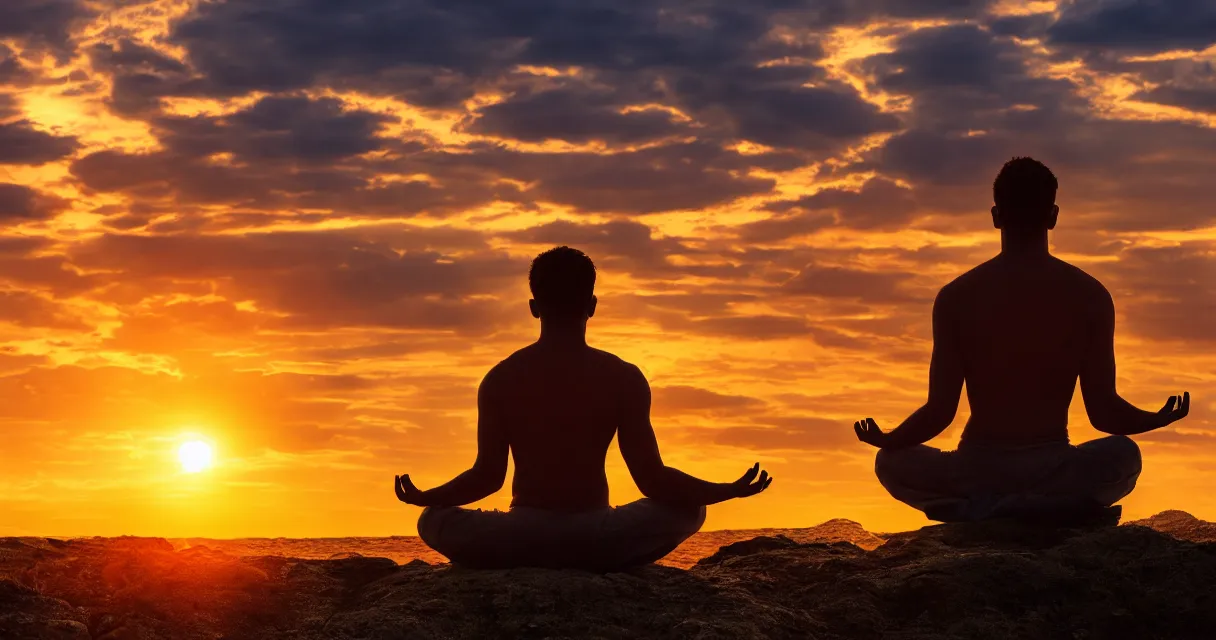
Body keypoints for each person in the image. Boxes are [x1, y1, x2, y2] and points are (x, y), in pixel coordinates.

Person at [852, 157, 1191, 523]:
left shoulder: (958, 296)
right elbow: (1104, 411)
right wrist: (1154, 419)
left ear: (996, 215)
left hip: (975, 471)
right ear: (1053, 216)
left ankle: (979, 508)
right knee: (1124, 455)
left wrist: (890, 439)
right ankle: (1043, 506)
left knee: (891, 462)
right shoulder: (1089, 295)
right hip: (1053, 470)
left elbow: (940, 412)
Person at [394, 246, 772, 570]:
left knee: (433, 519)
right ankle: (595, 559)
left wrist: (427, 497)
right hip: (598, 537)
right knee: (692, 509)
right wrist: (724, 490)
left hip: (523, 535)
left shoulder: (501, 378)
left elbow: (487, 477)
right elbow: (652, 479)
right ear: (592, 305)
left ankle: (527, 556)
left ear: (533, 307)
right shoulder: (622, 376)